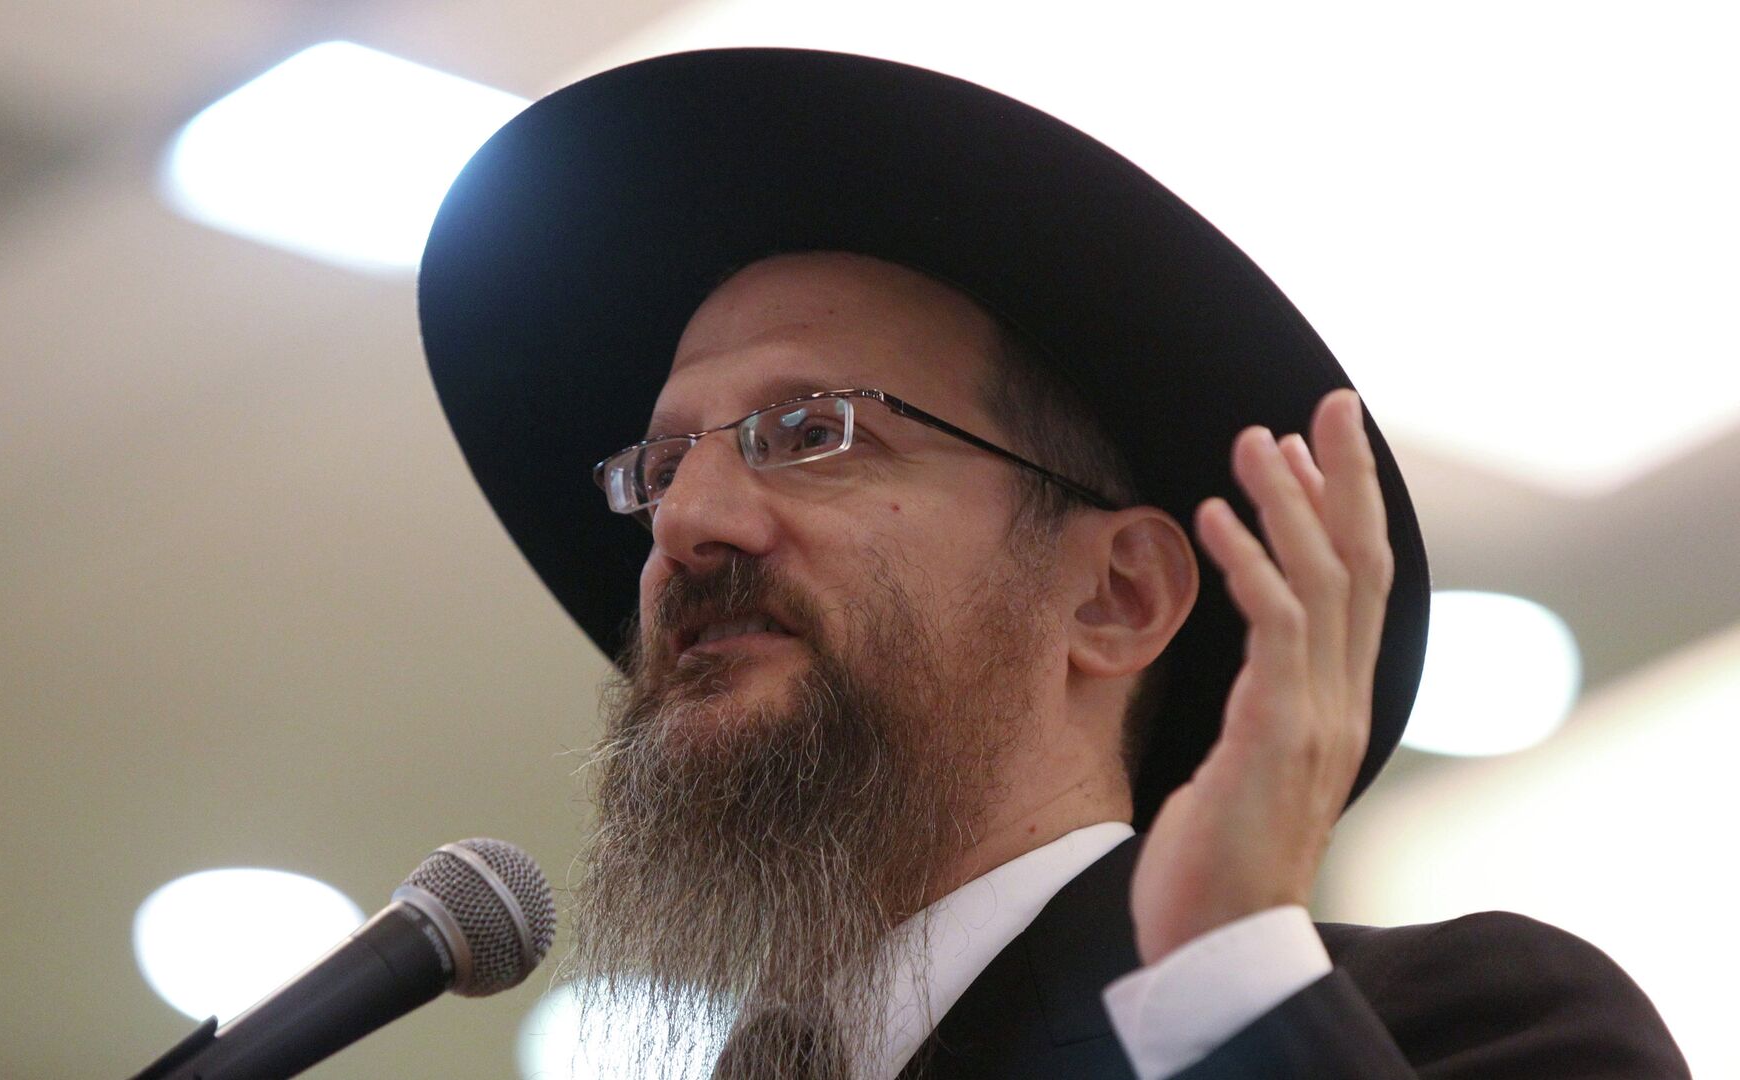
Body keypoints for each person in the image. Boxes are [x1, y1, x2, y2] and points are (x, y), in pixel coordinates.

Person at [417, 49, 1689, 1078]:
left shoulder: (1460, 1027)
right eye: (660, 466)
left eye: (811, 433)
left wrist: (1227, 978)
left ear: (1115, 597)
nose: (685, 520)